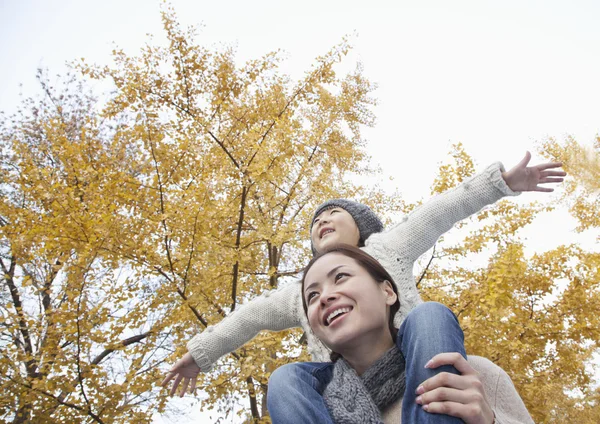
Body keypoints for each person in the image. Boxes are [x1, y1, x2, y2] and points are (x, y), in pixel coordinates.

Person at [161, 153, 564, 401]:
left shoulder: (388, 248)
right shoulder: (300, 291)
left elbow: (441, 210)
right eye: (316, 220)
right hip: (347, 385)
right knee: (286, 380)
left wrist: (501, 184)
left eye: (334, 214)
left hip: (411, 366)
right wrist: (201, 354)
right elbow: (248, 317)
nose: (322, 219)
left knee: (431, 316)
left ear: (361, 227)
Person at [267, 244, 533, 423]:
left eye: (341, 277)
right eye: (312, 296)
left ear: (388, 292)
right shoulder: (306, 407)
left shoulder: (472, 376)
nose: (324, 296)